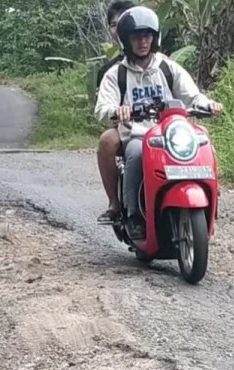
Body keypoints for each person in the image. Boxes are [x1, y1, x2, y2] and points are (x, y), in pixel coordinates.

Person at [94, 6, 223, 229]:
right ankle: (134, 215)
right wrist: (116, 111)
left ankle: (212, 194)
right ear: (126, 40)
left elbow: (192, 95)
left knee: (203, 139)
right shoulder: (117, 74)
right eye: (136, 37)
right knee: (135, 154)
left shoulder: (167, 67)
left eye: (147, 36)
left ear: (154, 38)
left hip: (171, 133)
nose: (142, 42)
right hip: (138, 133)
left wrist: (207, 105)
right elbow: (102, 108)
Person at [93, 0, 136, 223]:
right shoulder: (109, 72)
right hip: (127, 129)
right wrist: (118, 114)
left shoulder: (162, 64)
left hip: (162, 126)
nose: (118, 28)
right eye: (113, 24)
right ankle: (115, 203)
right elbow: (103, 110)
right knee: (107, 141)